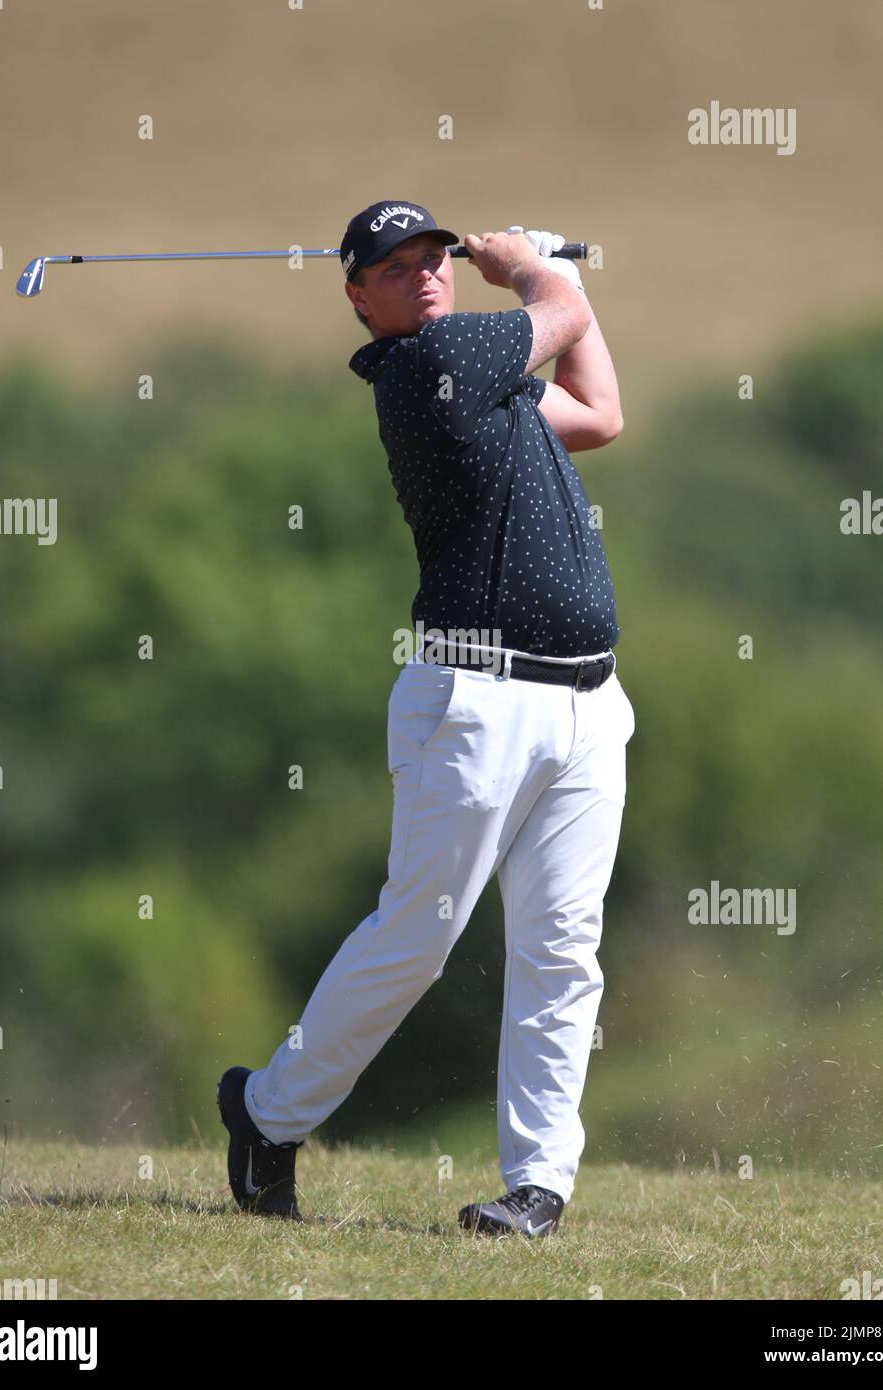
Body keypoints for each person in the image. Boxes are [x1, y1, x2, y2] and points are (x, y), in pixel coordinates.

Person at [218, 199, 635, 1238]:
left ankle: (536, 1187)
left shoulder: (493, 386)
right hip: (475, 703)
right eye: (393, 267)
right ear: (359, 299)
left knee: (561, 950)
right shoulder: (423, 373)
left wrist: (555, 290)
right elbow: (553, 316)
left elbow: (600, 412)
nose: (425, 273)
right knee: (419, 935)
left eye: (436, 256)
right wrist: (528, 267)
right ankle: (267, 1113)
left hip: (588, 702)